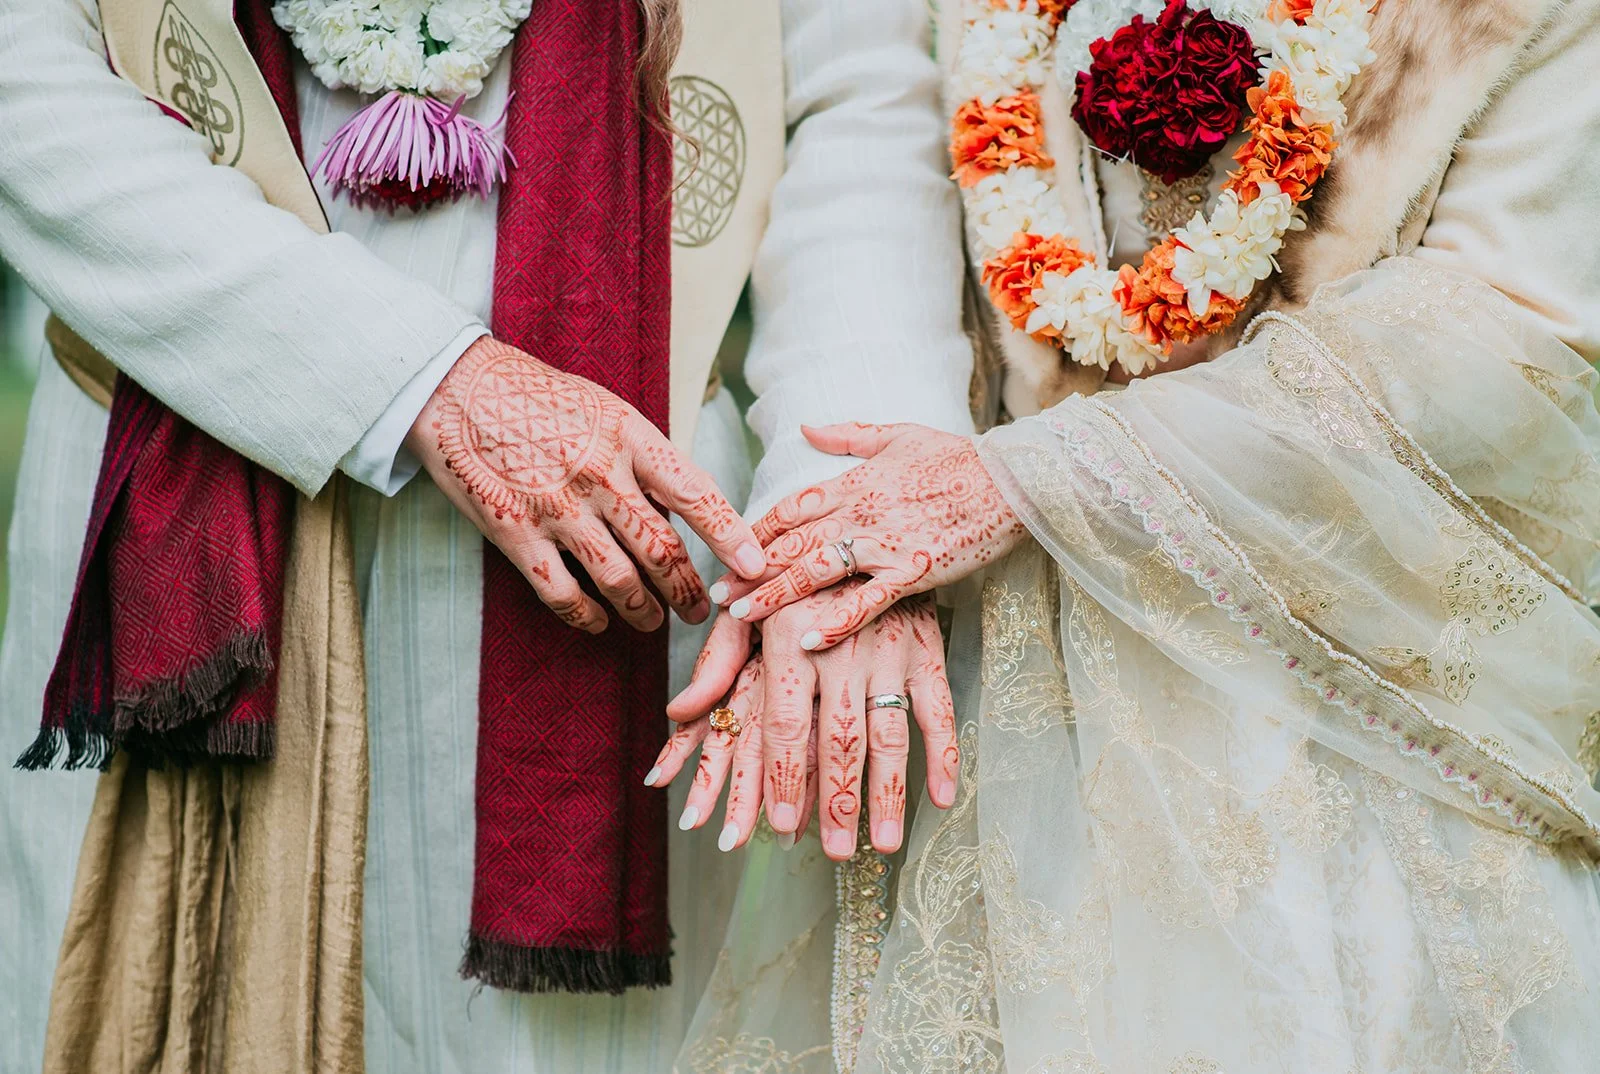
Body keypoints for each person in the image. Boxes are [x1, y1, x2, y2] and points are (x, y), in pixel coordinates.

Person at [0, 1, 978, 1073]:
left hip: (625, 535)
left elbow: (851, 102)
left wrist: (841, 520)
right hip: (188, 444)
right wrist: (413, 374)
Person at [661, 0, 1600, 1070]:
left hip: (1352, 698)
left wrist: (1024, 480)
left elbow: (1508, 332)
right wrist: (842, 543)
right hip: (1008, 711)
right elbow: (874, 163)